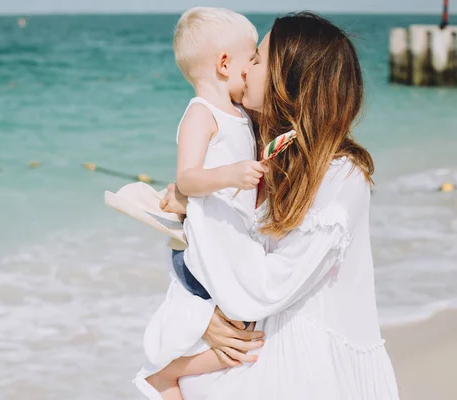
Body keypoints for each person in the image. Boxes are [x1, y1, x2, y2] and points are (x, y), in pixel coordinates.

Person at [141, 12, 400, 399]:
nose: (247, 68)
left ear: (289, 77)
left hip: (307, 368)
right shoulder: (272, 156)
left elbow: (266, 286)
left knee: (162, 376)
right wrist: (202, 316)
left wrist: (198, 209)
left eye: (258, 58)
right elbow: (207, 256)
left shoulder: (341, 174)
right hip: (268, 352)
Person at [134, 8, 271, 400]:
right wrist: (230, 175)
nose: (256, 69)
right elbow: (188, 178)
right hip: (205, 247)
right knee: (244, 336)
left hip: (228, 242)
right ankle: (165, 376)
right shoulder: (201, 114)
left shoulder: (241, 115)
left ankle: (171, 378)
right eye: (253, 61)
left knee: (243, 332)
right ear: (225, 64)